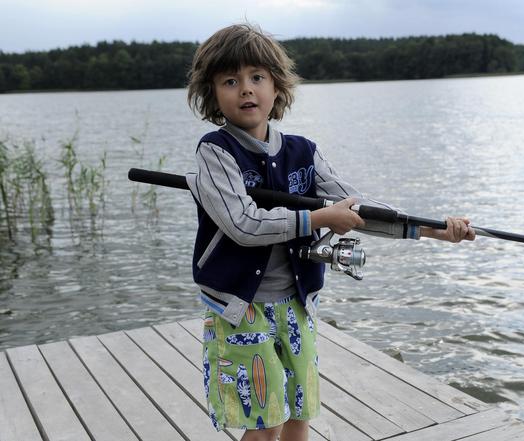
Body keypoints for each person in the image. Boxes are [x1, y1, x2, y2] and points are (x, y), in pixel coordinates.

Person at [185, 23, 475, 441]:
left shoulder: (304, 151)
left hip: (297, 304)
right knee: (266, 421)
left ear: (276, 87)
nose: (246, 89)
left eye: (257, 78)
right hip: (239, 307)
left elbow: (355, 209)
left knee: (300, 412)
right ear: (213, 93)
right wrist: (318, 220)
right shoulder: (215, 151)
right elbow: (243, 224)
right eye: (231, 81)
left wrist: (433, 231)